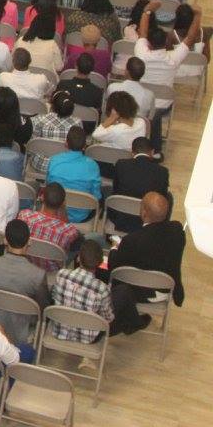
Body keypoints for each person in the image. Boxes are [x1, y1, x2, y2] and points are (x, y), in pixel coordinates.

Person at [108, 191, 185, 333]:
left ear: (143, 213)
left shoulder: (132, 241)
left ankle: (125, 321)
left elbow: (113, 266)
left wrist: (114, 248)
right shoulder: (178, 230)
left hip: (142, 290)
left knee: (107, 273)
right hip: (167, 287)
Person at [0, 219, 50, 344]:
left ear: (5, 240)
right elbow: (42, 308)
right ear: (29, 241)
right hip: (21, 332)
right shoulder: (38, 275)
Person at [111, 137, 169, 231]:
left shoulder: (121, 164)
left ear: (132, 152)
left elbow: (115, 189)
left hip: (121, 216)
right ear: (153, 152)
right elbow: (162, 198)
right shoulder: (162, 172)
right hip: (149, 220)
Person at [45, 127, 101, 222]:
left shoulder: (54, 160)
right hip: (82, 215)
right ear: (84, 146)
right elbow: (96, 196)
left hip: (56, 210)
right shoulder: (93, 166)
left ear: (66, 143)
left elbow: (48, 184)